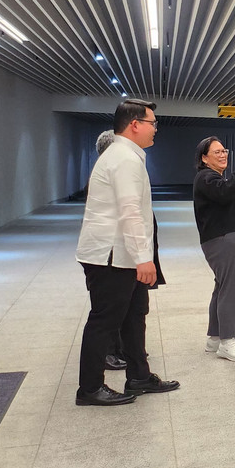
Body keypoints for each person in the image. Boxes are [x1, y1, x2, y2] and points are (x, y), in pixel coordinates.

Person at [75, 100, 180, 405]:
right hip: (111, 257)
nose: (155, 129)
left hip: (119, 255)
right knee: (105, 321)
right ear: (135, 124)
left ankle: (138, 376)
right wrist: (143, 258)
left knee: (135, 316)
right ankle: (90, 388)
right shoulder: (124, 158)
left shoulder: (125, 156)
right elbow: (130, 211)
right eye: (153, 123)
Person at [193, 137, 235, 362]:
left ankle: (215, 336)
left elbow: (224, 199)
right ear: (204, 158)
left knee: (222, 287)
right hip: (223, 240)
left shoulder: (216, 178)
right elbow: (224, 192)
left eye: (224, 151)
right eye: (216, 152)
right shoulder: (206, 177)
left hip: (229, 238)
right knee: (232, 289)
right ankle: (228, 340)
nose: (223, 155)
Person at [93, 129, 129, 373]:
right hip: (109, 254)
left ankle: (120, 348)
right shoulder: (107, 178)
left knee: (124, 306)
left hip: (117, 252)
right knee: (108, 307)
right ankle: (107, 353)